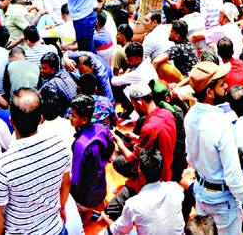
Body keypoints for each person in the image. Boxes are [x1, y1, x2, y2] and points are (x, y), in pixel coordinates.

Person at [0, 87, 72, 235]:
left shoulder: (4, 165)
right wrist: (62, 207)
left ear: (11, 121)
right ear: (41, 119)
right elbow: (65, 184)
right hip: (55, 229)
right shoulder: (60, 145)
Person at [185, 61, 243, 235]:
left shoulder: (190, 115)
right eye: (221, 84)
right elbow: (233, 174)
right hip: (222, 201)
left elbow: (190, 159)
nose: (226, 86)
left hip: (201, 194)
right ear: (209, 92)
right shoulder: (222, 125)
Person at [106, 82, 177, 219]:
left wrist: (119, 142)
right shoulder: (166, 114)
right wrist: (138, 139)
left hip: (151, 178)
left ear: (139, 102)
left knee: (111, 210)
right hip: (166, 168)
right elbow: (158, 140)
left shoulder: (149, 127)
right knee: (119, 162)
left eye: (133, 104)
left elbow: (134, 159)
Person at [100, 147, 186, 235]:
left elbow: (117, 230)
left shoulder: (133, 204)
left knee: (107, 232)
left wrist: (104, 218)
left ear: (140, 172)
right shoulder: (175, 188)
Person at [69, 94, 114, 211]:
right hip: (102, 189)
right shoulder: (101, 128)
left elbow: (75, 180)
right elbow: (111, 148)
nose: (69, 117)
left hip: (86, 199)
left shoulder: (80, 145)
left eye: (73, 115)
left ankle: (84, 212)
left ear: (84, 120)